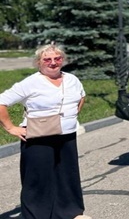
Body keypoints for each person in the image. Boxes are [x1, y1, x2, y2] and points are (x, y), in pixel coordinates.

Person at [0, 45, 91, 219]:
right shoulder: (31, 82)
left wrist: (70, 116)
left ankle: (71, 212)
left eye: (57, 59)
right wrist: (11, 128)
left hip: (67, 135)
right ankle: (36, 215)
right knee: (38, 180)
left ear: (62, 60)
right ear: (38, 62)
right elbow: (1, 102)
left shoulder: (72, 79)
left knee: (67, 175)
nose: (53, 63)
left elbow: (81, 97)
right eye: (47, 59)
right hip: (38, 136)